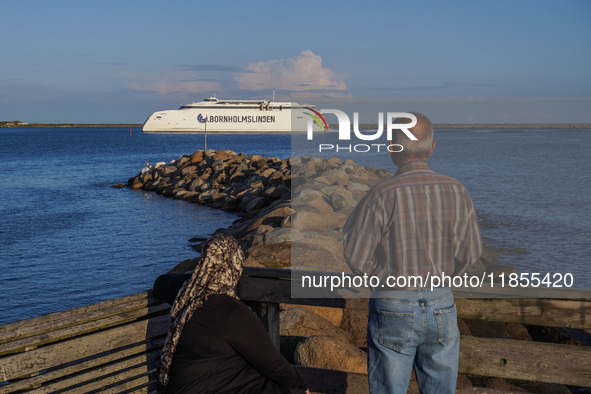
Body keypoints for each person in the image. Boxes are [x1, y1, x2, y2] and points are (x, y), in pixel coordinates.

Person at [343, 113, 482, 394]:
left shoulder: (380, 194)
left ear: (392, 148)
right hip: (441, 300)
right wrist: (443, 277)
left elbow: (355, 255)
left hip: (392, 303)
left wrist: (382, 277)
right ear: (432, 147)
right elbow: (471, 252)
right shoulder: (457, 190)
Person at [154, 233, 310, 394]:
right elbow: (272, 362)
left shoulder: (188, 292)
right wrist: (302, 387)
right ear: (235, 267)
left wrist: (195, 278)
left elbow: (159, 283)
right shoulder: (233, 313)